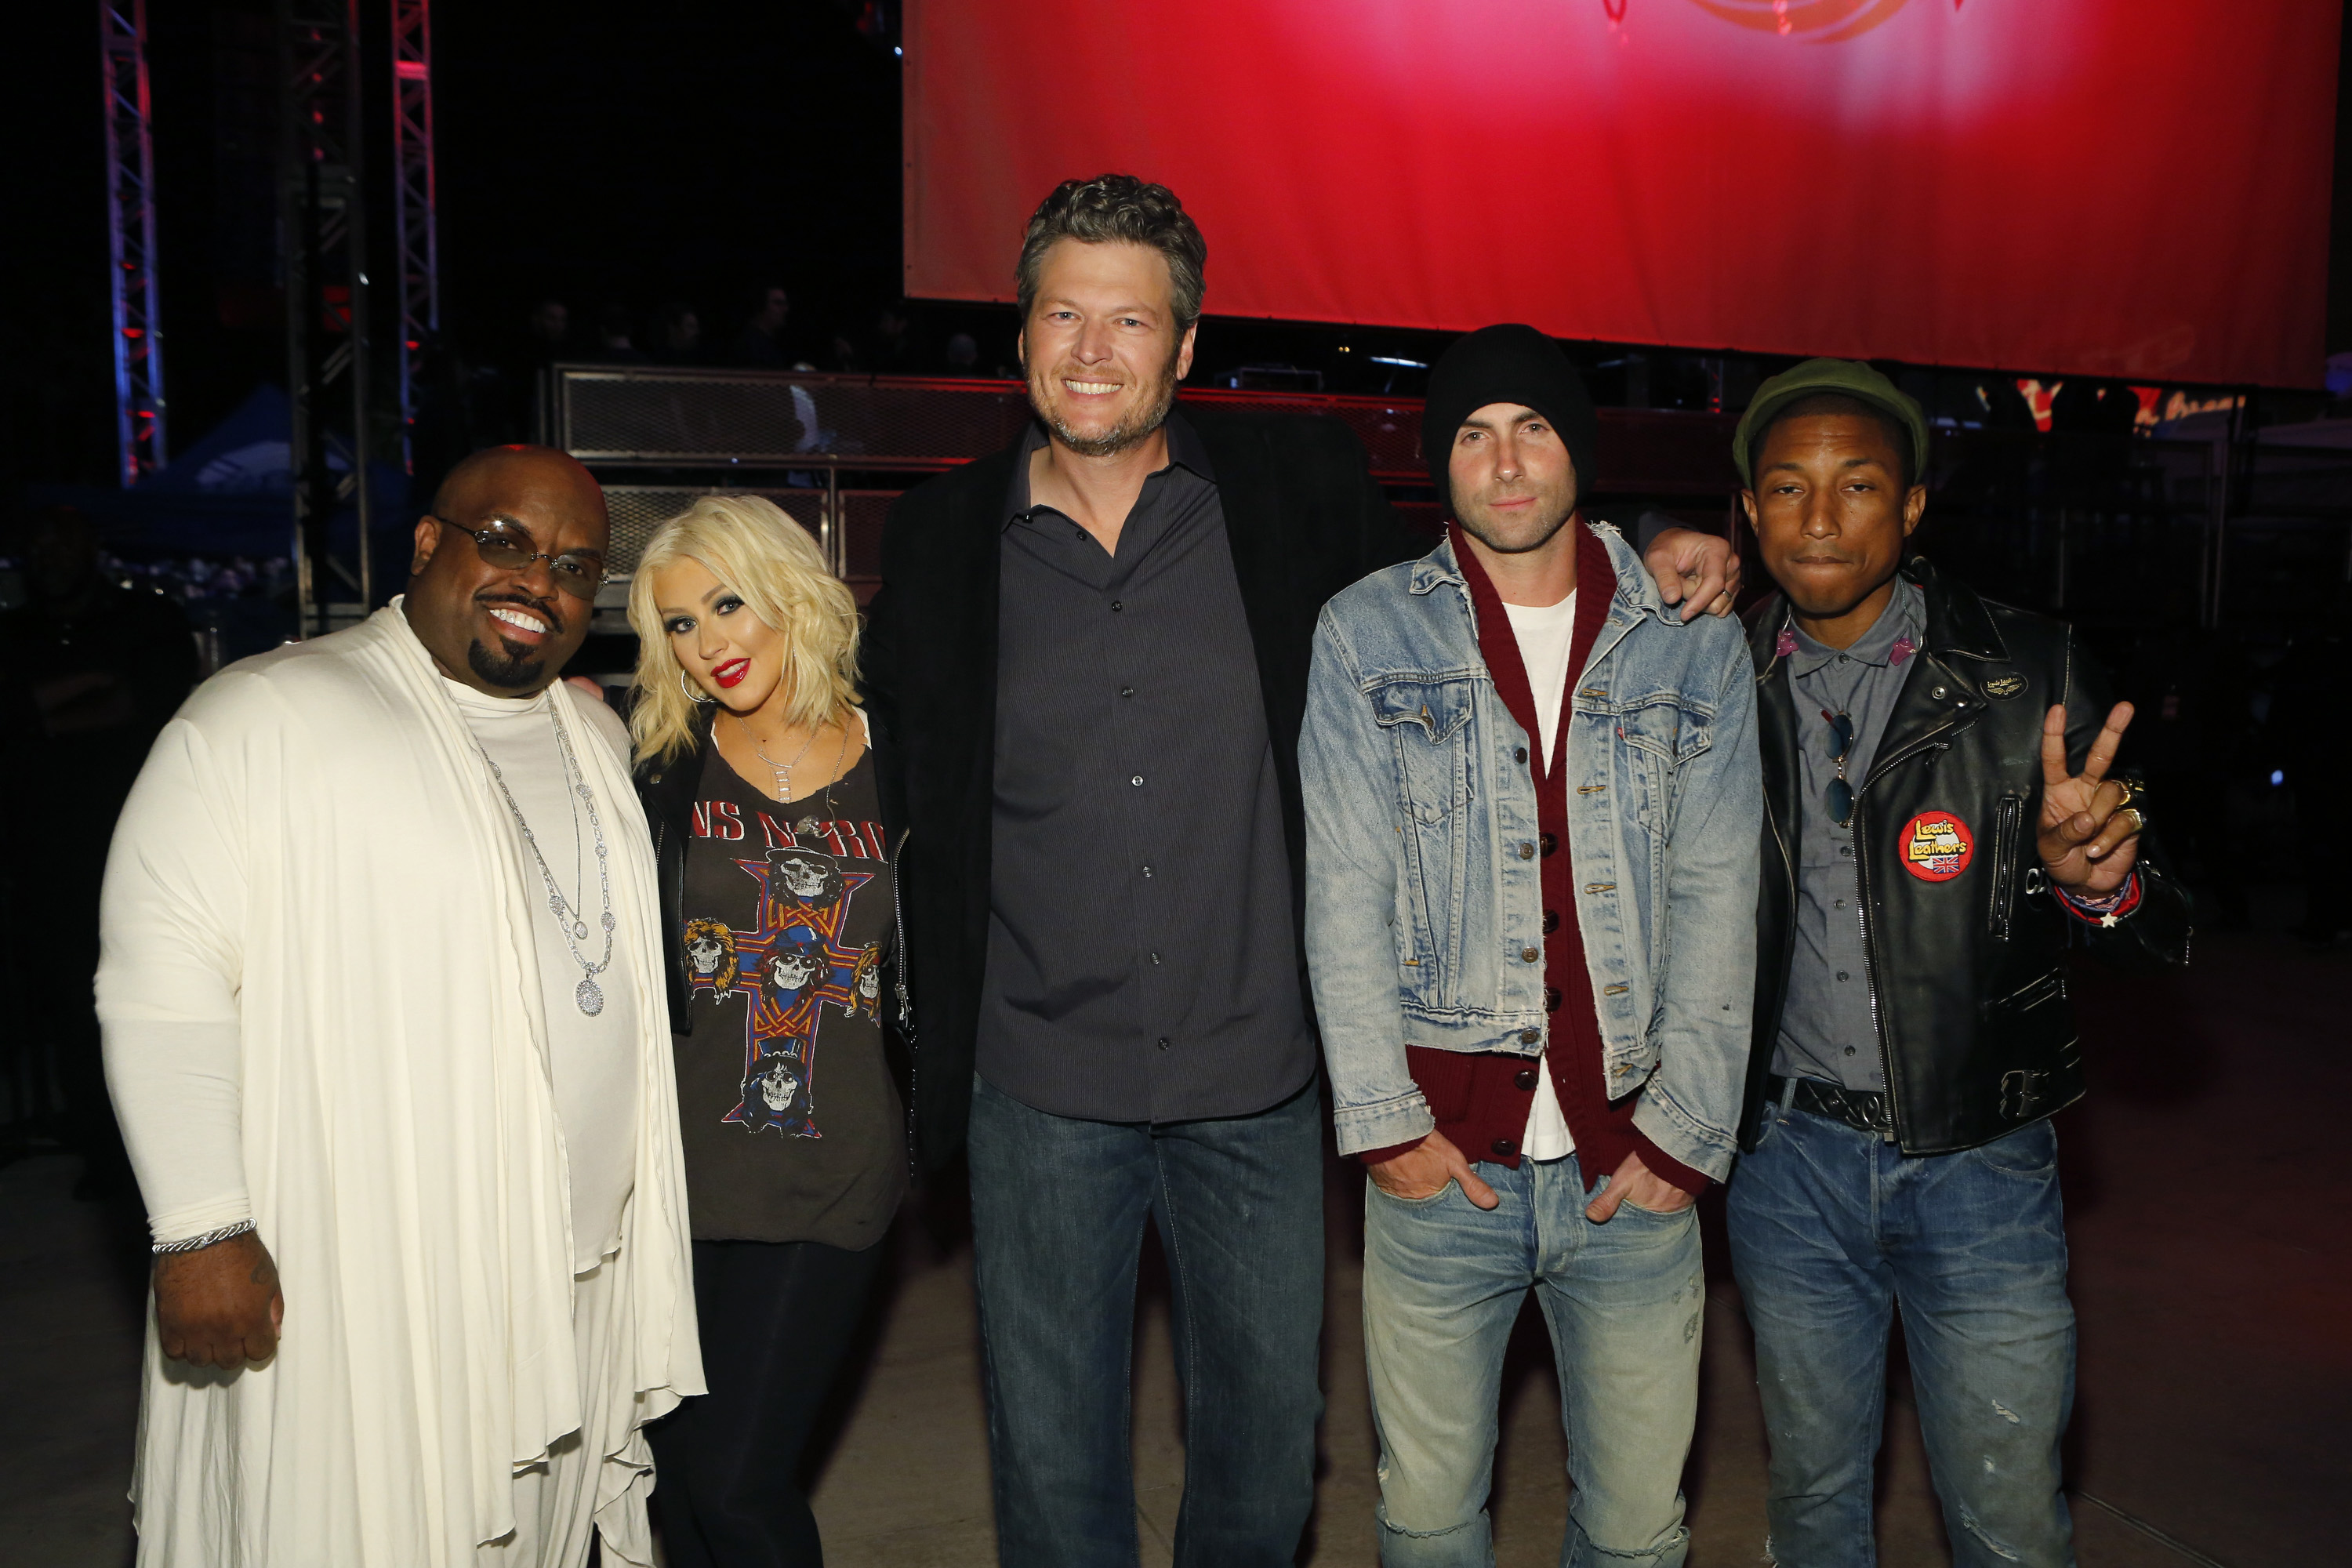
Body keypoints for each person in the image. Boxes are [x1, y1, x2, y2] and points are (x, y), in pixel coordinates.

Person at [859, 174, 1747, 1568]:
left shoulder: (1294, 494)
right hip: (1037, 1086)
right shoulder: (938, 542)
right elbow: (870, 757)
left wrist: (1653, 548)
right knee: (1050, 1476)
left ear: (1187, 345)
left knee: (1267, 1474)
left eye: (1131, 321)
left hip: (1257, 1087)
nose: (1094, 351)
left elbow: (1486, 577)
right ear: (1020, 334)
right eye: (1064, 316)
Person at [96, 445, 702, 1566]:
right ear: (429, 545)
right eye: (505, 542)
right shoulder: (265, 716)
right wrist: (201, 1228)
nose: (540, 583)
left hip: (575, 1272)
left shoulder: (597, 738)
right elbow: (161, 973)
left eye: (574, 565)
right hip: (359, 1287)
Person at [1720, 361, 2191, 1567]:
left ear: (1915, 507)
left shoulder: (2029, 674)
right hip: (1785, 1167)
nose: (1821, 518)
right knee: (1814, 1507)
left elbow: (2160, 933)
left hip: (1982, 1163)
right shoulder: (1710, 679)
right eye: (1787, 487)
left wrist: (2102, 883)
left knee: (2006, 1520)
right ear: (1751, 511)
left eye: (1859, 484)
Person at [1303, 326, 1759, 1568]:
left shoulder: (1688, 636)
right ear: (1439, 464)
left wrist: (1687, 1138)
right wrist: (1387, 1127)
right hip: (1443, 1167)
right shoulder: (1365, 633)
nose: (1504, 463)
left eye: (1534, 428)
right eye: (1470, 433)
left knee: (1634, 1533)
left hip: (1636, 1170)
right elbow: (1343, 888)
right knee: (1430, 1522)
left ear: (1582, 451)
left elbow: (1723, 895)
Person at [627, 495, 906, 1566]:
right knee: (682, 1492)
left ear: (790, 590)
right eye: (680, 625)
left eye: (727, 603)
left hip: (834, 1169)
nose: (709, 643)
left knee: (741, 1482)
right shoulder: (655, 764)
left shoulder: (907, 750)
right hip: (676, 1179)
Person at [0, 506, 194, 1187]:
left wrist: (46, 712)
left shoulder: (147, 620)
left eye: (63, 536)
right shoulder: (15, 631)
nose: (50, 551)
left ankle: (166, 1152)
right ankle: (103, 1154)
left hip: (143, 843)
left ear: (91, 544)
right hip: (46, 854)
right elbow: (18, 720)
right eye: (38, 539)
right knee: (71, 1005)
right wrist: (93, 686)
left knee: (160, 997)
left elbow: (154, 704)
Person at [730, 285, 794, 368]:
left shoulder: (774, 344)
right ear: (761, 306)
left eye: (785, 304)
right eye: (778, 303)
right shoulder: (749, 345)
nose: (785, 309)